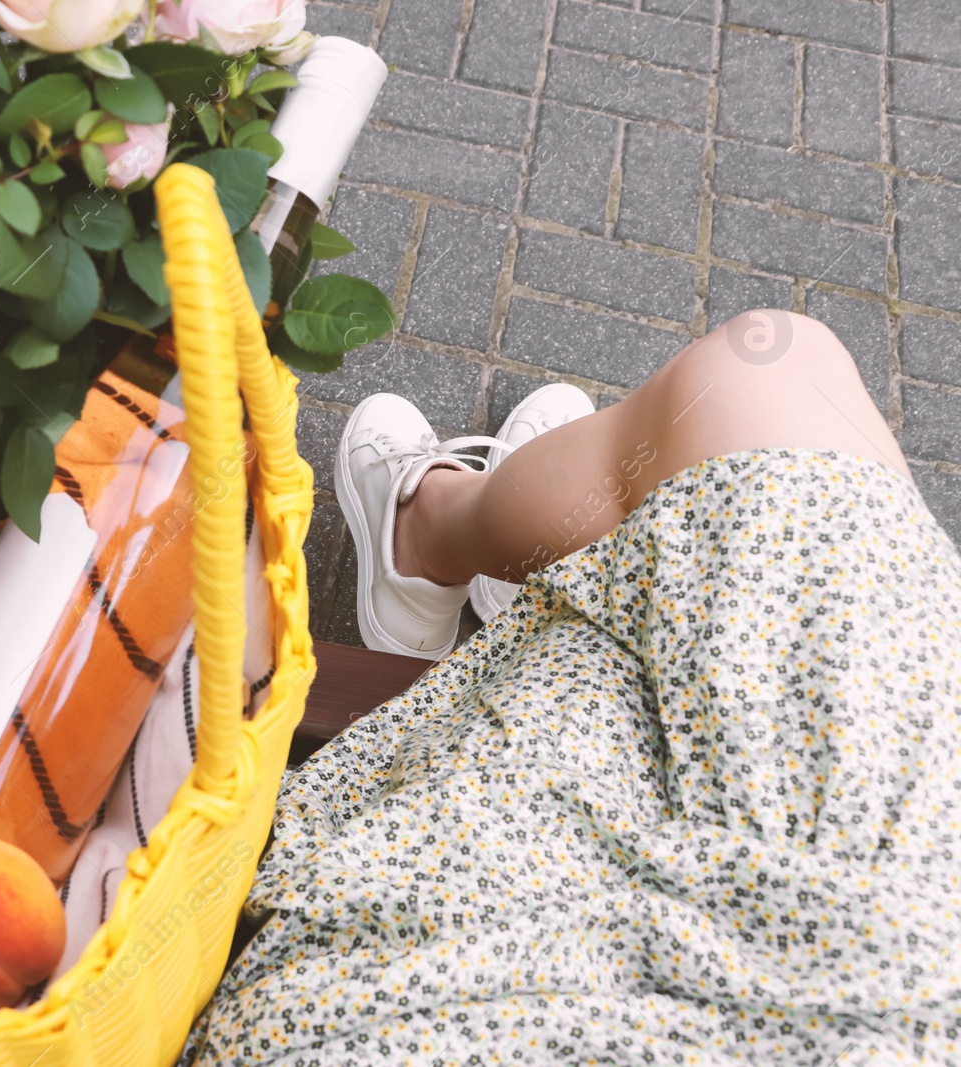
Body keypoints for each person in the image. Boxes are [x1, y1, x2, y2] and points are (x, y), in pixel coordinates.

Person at [182, 310, 961, 1064]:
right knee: (765, 375)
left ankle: (429, 539)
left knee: (752, 397)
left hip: (504, 1000)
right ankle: (526, 555)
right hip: (905, 954)